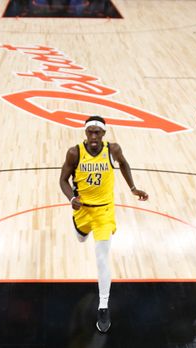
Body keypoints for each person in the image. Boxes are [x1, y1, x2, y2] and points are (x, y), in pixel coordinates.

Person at [59, 115, 148, 333]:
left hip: (104, 212)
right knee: (80, 239)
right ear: (85, 133)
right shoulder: (75, 152)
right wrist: (72, 198)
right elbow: (62, 179)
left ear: (104, 134)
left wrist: (133, 188)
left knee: (102, 258)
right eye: (90, 132)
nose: (94, 136)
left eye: (98, 132)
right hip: (83, 210)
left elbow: (125, 165)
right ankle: (81, 229)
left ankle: (103, 305)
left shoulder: (113, 150)